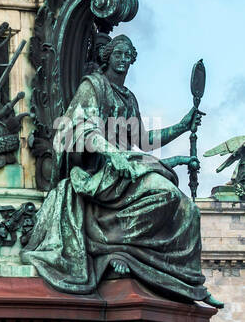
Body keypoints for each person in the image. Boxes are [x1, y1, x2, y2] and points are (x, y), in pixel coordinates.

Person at [23, 32, 222, 306]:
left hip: (125, 166)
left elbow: (143, 140)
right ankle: (114, 250)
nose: (123, 60)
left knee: (186, 208)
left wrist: (182, 125)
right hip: (99, 169)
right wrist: (111, 154)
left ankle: (189, 280)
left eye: (128, 56)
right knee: (166, 194)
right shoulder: (93, 86)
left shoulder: (128, 97)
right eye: (118, 54)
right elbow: (79, 128)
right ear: (107, 58)